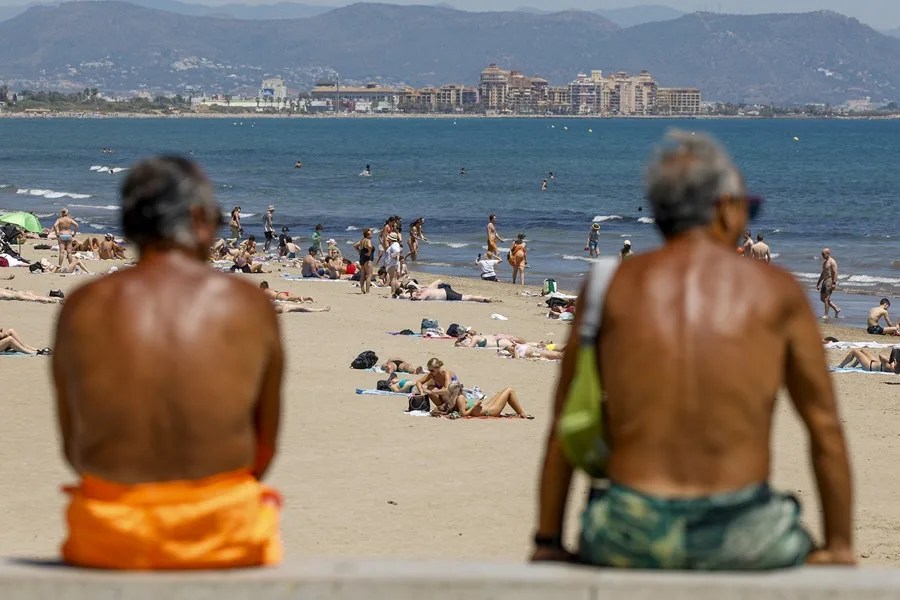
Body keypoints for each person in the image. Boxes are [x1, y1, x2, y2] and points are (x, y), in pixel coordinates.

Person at [533, 131, 853, 570]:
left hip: (629, 528)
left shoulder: (609, 287)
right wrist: (839, 545)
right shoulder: (775, 291)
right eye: (747, 207)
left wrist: (547, 539)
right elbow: (824, 426)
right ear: (724, 208)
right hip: (744, 531)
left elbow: (566, 421)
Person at [53, 156, 283, 570]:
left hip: (109, 535)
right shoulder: (247, 304)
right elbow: (263, 449)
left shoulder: (82, 305)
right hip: (221, 533)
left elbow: (75, 447)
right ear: (199, 219)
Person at [404, 279, 492, 303]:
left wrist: (413, 297)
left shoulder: (424, 292)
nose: (416, 293)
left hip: (447, 294)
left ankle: (484, 298)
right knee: (467, 296)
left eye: (415, 292)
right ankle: (481, 297)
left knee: (467, 298)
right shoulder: (425, 289)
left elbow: (420, 299)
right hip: (444, 290)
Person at [816, 248, 841, 320]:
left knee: (826, 299)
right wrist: (818, 282)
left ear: (828, 253)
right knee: (822, 298)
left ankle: (826, 315)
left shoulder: (832, 262)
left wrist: (834, 283)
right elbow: (823, 273)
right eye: (822, 254)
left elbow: (835, 272)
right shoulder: (825, 262)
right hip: (825, 280)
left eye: (823, 254)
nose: (822, 255)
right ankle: (836, 308)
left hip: (830, 281)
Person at [353, 228, 375, 294]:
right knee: (369, 275)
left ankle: (362, 290)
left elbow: (355, 245)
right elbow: (369, 246)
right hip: (368, 259)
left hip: (362, 258)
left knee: (363, 274)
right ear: (367, 235)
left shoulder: (362, 240)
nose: (372, 235)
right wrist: (369, 252)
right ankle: (368, 291)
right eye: (371, 234)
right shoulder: (368, 240)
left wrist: (359, 251)